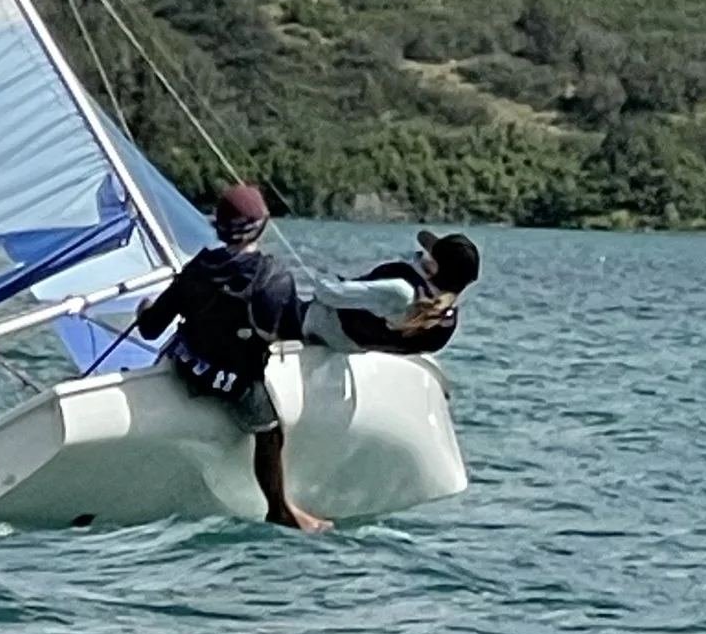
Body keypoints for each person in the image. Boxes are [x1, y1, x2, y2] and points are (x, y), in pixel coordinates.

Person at [130, 182, 330, 532]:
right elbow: (293, 329)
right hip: (236, 386)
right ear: (263, 225)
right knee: (271, 431)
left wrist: (143, 307)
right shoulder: (276, 277)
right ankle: (279, 508)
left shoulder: (195, 271)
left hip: (186, 369)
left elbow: (149, 329)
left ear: (218, 227)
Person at [304, 230, 481, 356]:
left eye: (427, 255)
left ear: (434, 267)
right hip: (350, 345)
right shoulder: (444, 316)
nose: (421, 255)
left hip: (318, 324)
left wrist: (326, 276)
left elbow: (328, 294)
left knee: (281, 282)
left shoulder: (401, 292)